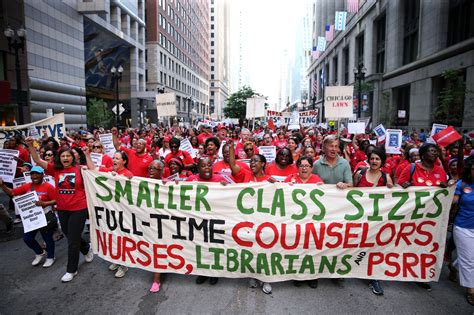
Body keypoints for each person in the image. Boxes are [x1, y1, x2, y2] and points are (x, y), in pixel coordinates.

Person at [25, 137, 94, 282]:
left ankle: (71, 270)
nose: (65, 158)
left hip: (79, 208)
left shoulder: (80, 169)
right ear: (59, 158)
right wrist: (30, 145)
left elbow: (94, 172)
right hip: (62, 209)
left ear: (73, 157)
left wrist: (87, 156)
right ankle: (87, 248)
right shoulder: (55, 170)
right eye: (62, 156)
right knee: (70, 236)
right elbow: (37, 160)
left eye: (68, 155)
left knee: (72, 241)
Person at [397, 143, 448, 291]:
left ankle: (421, 275)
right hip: (412, 216)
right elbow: (398, 186)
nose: (435, 153)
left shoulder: (440, 171)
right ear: (423, 154)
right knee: (408, 243)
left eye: (436, 151)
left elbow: (443, 191)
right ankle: (403, 268)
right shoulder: (412, 168)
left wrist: (444, 188)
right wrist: (404, 186)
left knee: (425, 247)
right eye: (431, 151)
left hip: (430, 219)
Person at [353, 147, 393, 296]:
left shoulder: (386, 178)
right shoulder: (360, 173)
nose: (374, 161)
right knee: (354, 243)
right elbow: (352, 191)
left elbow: (392, 198)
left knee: (374, 247)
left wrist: (391, 188)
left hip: (377, 220)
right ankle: (348, 267)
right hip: (359, 218)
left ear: (382, 161)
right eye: (372, 158)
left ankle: (374, 277)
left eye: (377, 159)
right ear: (368, 160)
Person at [0, 166, 57, 267]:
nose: (34, 176)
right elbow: (12, 192)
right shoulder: (27, 186)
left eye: (37, 173)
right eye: (32, 174)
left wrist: (45, 203)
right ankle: (39, 252)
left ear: (42, 175)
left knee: (47, 238)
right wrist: (2, 185)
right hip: (31, 216)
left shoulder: (48, 187)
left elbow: (56, 200)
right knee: (27, 238)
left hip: (45, 216)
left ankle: (50, 257)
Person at [187, 156, 227, 285]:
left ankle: (215, 272)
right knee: (200, 246)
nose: (207, 168)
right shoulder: (191, 180)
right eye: (203, 166)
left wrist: (226, 187)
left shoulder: (220, 179)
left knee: (214, 246)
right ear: (198, 169)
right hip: (198, 220)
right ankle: (203, 272)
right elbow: (175, 190)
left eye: (209, 165)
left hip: (215, 218)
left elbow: (234, 193)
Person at [451, 157, 474, 305]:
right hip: (463, 227)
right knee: (469, 261)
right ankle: (470, 290)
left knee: (468, 257)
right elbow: (452, 201)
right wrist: (446, 190)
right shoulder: (462, 184)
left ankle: (454, 266)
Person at [148, 160, 165, 292]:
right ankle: (157, 278)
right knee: (156, 248)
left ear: (162, 171)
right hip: (149, 221)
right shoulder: (139, 183)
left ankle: (157, 278)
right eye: (150, 168)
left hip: (165, 222)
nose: (151, 170)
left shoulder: (167, 184)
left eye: (155, 168)